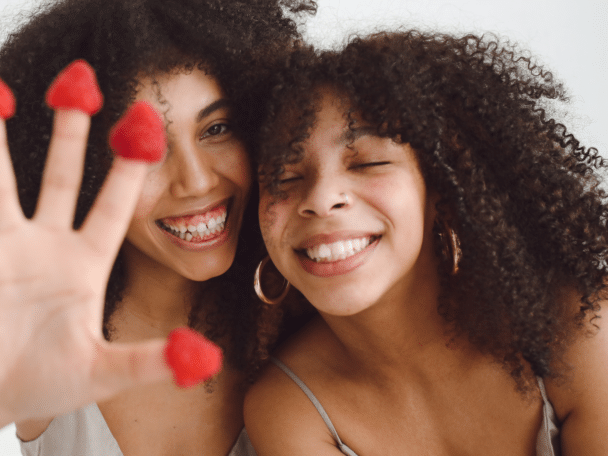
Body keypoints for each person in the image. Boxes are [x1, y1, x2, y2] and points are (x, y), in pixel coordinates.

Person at [0, 0, 315, 455]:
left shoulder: (315, 297)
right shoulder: (32, 314)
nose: (196, 180)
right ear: (87, 170)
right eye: (143, 148)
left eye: (217, 129)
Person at [245, 31, 608, 455]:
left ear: (440, 189)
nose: (321, 200)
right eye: (283, 178)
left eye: (368, 162)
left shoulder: (581, 328)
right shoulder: (287, 408)